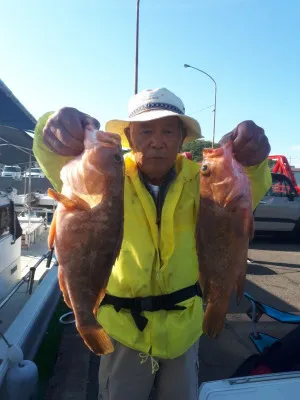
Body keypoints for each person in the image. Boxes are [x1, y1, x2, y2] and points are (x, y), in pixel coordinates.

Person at [33, 87, 271, 400]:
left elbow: (245, 191)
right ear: (130, 138)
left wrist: (253, 161)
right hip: (123, 332)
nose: (157, 141)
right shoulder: (105, 171)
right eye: (146, 130)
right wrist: (52, 126)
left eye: (168, 131)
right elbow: (54, 157)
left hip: (184, 330)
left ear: (182, 138)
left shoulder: (204, 177)